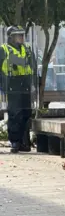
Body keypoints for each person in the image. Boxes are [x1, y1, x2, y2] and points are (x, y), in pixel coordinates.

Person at [0, 25, 37, 153]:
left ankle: (24, 141)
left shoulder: (27, 49)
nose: (21, 38)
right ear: (11, 37)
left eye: (22, 35)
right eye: (18, 35)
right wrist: (3, 85)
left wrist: (34, 84)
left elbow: (34, 67)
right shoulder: (4, 50)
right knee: (15, 114)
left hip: (25, 84)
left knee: (26, 113)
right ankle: (15, 142)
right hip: (12, 84)